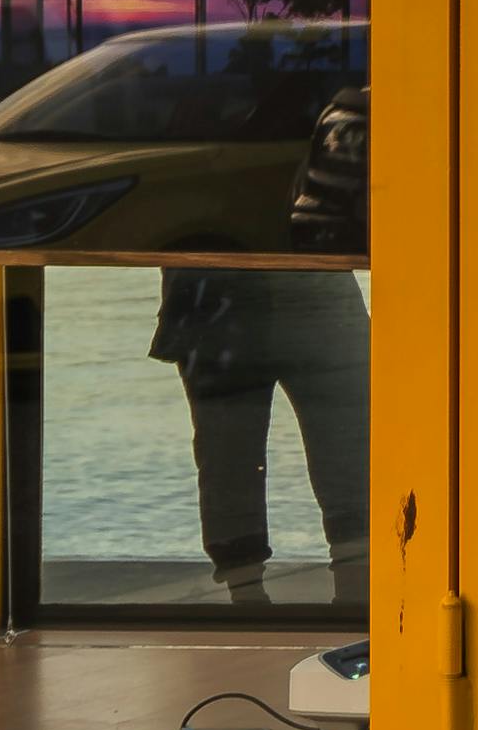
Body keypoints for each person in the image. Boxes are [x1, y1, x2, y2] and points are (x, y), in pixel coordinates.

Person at [155, 75, 369, 612]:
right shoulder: (332, 113)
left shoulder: (188, 126)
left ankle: (247, 597)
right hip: (306, 298)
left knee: (228, 456)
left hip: (216, 302)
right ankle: (354, 594)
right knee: (346, 451)